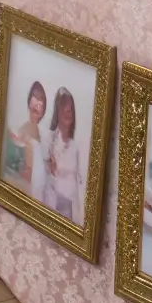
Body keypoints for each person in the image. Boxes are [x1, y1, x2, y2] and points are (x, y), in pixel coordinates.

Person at [43, 88, 85, 225]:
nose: (68, 111)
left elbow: (80, 184)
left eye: (71, 108)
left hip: (70, 212)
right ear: (57, 111)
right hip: (50, 206)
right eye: (64, 107)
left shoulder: (76, 147)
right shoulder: (49, 139)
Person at [3, 81, 46, 198]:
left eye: (42, 99)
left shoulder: (44, 135)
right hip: (30, 189)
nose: (39, 103)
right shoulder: (23, 130)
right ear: (29, 102)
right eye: (35, 97)